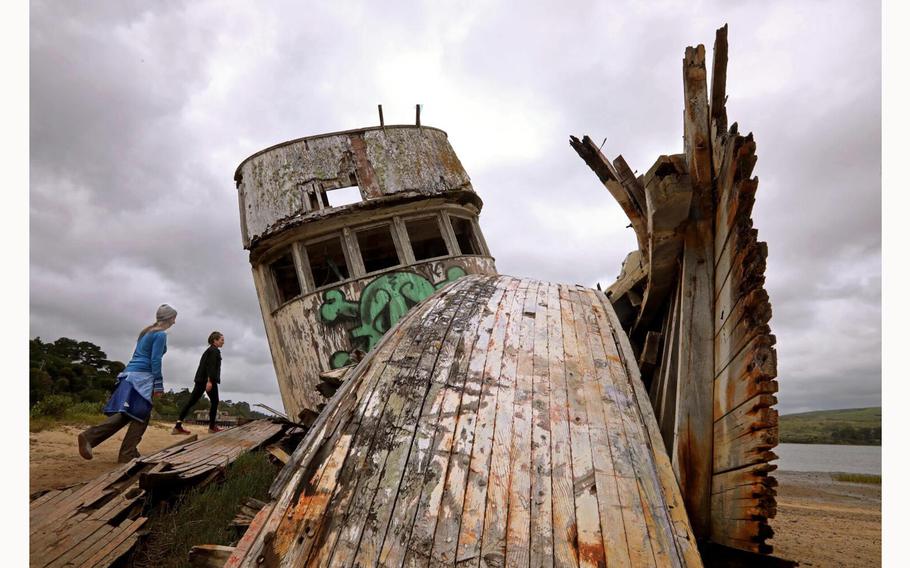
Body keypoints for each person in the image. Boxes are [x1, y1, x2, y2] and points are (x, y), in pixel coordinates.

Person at [77, 304, 177, 463]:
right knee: (141, 415)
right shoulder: (160, 335)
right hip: (141, 377)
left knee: (128, 414)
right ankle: (126, 453)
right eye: (174, 318)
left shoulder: (146, 332)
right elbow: (155, 359)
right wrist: (158, 383)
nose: (175, 321)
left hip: (129, 374)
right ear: (170, 318)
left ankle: (92, 438)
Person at [172, 331, 225, 435]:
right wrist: (210, 381)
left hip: (200, 380)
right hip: (207, 381)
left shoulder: (209, 350)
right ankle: (211, 427)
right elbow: (211, 366)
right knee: (215, 402)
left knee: (190, 402)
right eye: (222, 340)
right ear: (215, 340)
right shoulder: (214, 351)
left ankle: (177, 427)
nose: (223, 342)